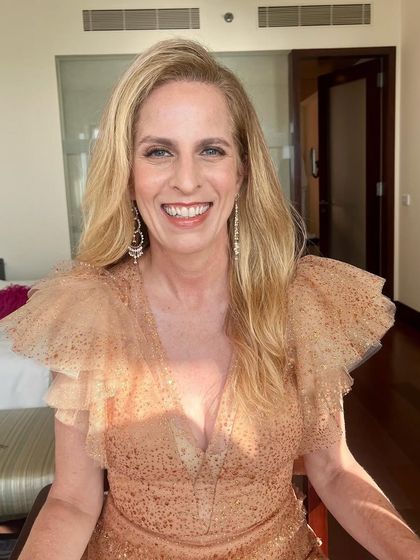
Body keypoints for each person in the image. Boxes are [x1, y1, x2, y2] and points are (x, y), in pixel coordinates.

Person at [1, 38, 419, 560]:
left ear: (241, 172)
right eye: (159, 151)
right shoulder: (91, 313)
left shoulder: (301, 304)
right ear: (128, 175)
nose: (186, 180)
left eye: (211, 150)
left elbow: (333, 470)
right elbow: (71, 500)